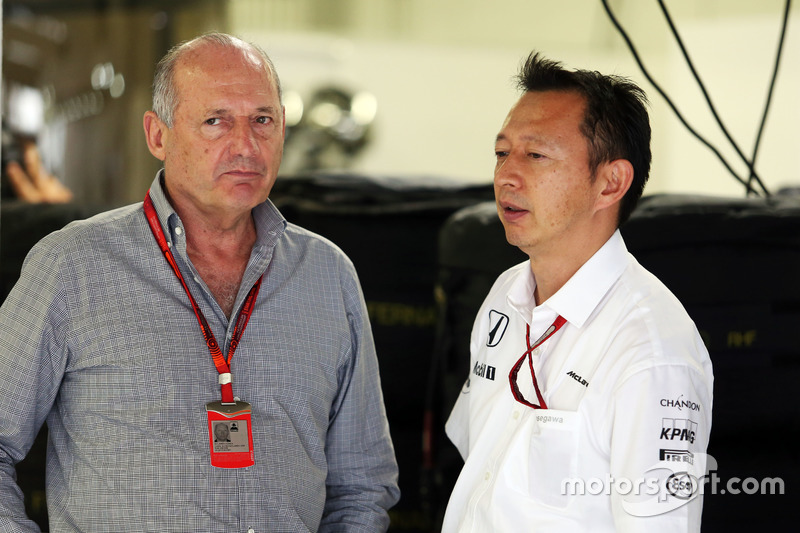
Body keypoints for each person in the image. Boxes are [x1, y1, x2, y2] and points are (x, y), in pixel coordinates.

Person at [0, 32, 399, 532]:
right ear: (157, 135)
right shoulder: (73, 266)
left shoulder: (327, 275)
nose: (246, 145)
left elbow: (362, 485)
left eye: (263, 121)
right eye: (216, 121)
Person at [441, 52, 713, 532]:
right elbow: (482, 460)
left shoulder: (650, 349)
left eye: (537, 154)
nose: (506, 174)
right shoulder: (505, 295)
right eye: (502, 152)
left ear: (610, 182)